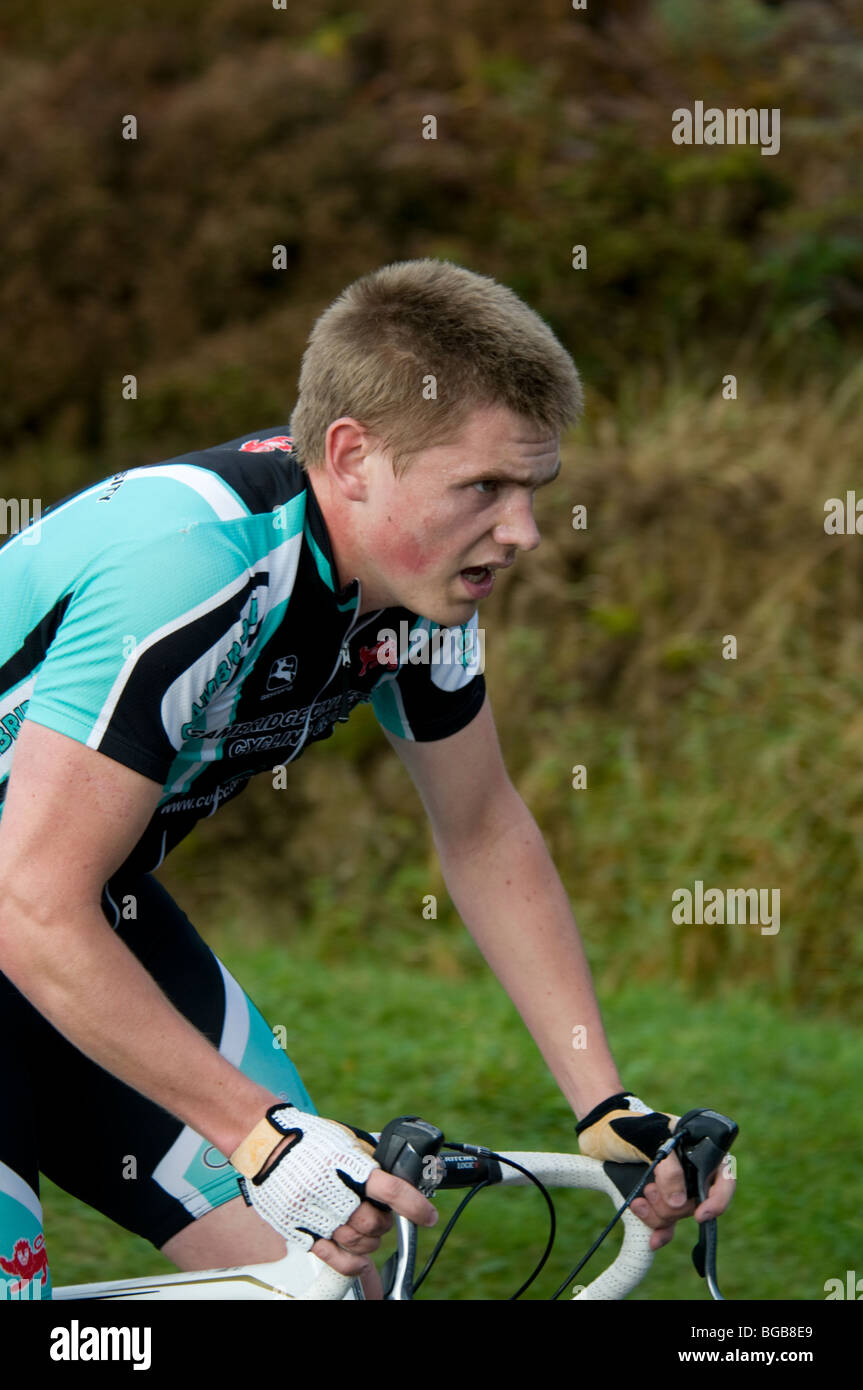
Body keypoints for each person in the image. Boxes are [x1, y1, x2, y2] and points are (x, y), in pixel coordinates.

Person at [0, 259, 734, 1301]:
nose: (522, 532)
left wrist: (602, 1102)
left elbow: (480, 830)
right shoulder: (191, 563)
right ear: (352, 456)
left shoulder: (416, 595)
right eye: (483, 487)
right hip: (34, 906)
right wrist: (257, 1134)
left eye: (533, 490)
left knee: (327, 1267)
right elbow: (27, 903)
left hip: (69, 913)